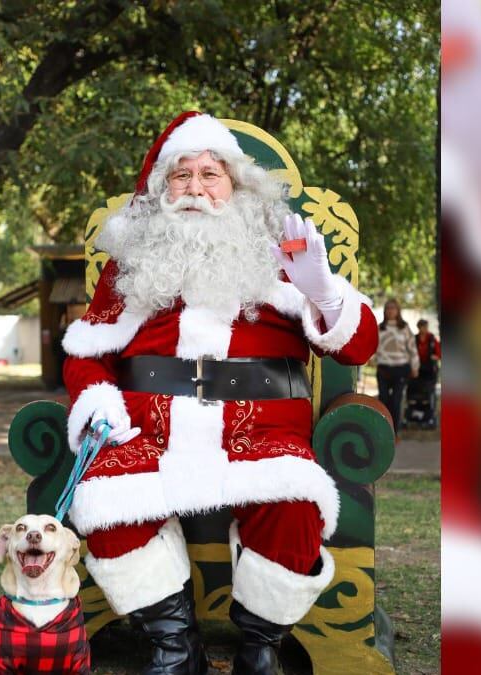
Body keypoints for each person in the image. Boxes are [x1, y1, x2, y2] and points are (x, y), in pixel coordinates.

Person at [61, 112, 379, 675]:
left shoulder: (282, 251)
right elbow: (88, 352)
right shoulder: (131, 260)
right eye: (181, 176)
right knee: (107, 505)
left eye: (211, 173)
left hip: (260, 432)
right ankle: (176, 648)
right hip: (150, 431)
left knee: (295, 503)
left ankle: (261, 645)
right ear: (162, 189)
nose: (196, 187)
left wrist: (323, 292)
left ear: (236, 184)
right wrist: (99, 402)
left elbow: (357, 348)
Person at [372, 299, 419, 433]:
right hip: (383, 369)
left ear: (398, 311)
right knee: (383, 400)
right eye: (388, 308)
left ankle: (394, 431)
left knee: (396, 401)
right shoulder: (380, 328)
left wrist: (415, 366)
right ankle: (383, 430)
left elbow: (412, 348)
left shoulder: (404, 328)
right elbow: (373, 346)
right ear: (384, 311)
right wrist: (371, 359)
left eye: (393, 308)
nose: (390, 310)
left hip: (401, 369)